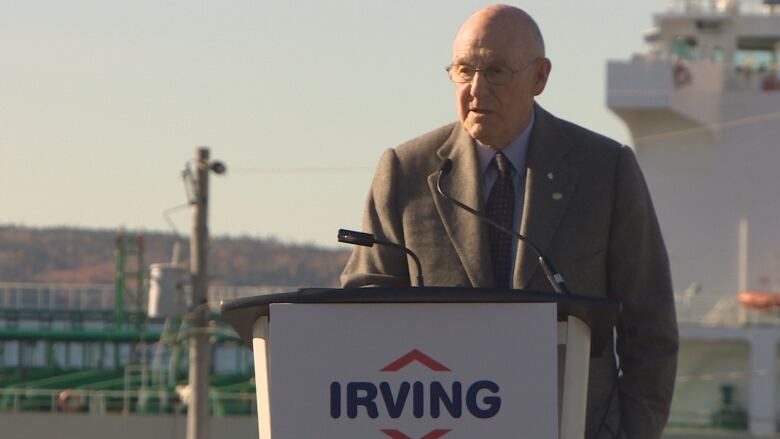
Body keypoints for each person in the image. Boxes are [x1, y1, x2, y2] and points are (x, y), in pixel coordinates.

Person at [341, 5, 678, 438]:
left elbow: (650, 331)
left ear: (540, 77)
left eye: (496, 71)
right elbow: (358, 311)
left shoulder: (605, 171)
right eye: (464, 70)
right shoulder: (406, 172)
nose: (476, 89)